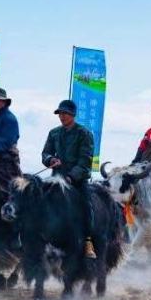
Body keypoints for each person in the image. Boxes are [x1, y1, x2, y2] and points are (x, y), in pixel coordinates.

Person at [41, 100, 97, 259]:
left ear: (73, 115)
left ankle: (88, 241)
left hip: (77, 181)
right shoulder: (54, 133)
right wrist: (51, 159)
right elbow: (45, 153)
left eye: (65, 113)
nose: (62, 116)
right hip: (56, 179)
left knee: (87, 206)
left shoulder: (84, 134)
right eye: (60, 113)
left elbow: (85, 161)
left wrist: (72, 176)